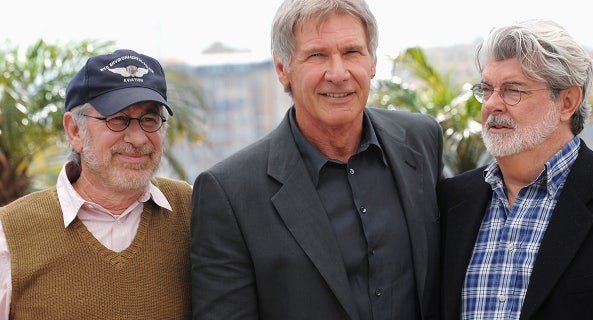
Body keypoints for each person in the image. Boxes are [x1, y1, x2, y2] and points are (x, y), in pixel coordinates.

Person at [190, 0, 444, 319]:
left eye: (352, 52)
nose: (338, 74)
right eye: (317, 55)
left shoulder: (421, 141)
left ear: (373, 61)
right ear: (283, 69)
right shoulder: (229, 193)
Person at [438, 19, 593, 320]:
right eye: (486, 89)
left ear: (567, 102)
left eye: (512, 90)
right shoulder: (449, 200)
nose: (492, 104)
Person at [0, 49, 192, 319]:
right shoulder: (10, 235)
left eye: (150, 119)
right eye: (117, 119)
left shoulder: (191, 209)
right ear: (74, 131)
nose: (138, 138)